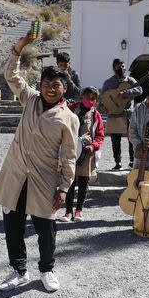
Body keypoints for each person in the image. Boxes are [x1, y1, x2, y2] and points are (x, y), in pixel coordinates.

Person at [0, 31, 79, 293]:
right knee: (13, 226)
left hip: (44, 180)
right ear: (40, 85)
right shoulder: (29, 99)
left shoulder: (68, 118)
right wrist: (20, 46)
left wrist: (64, 187)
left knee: (46, 229)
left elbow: (69, 156)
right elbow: (11, 75)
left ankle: (47, 269)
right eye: (47, 83)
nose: (51, 88)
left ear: (65, 87)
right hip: (16, 175)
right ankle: (19, 270)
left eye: (57, 85)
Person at [60, 86, 105, 223]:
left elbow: (100, 136)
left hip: (87, 152)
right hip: (70, 149)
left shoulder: (95, 115)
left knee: (84, 182)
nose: (91, 101)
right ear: (82, 97)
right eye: (88, 97)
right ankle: (68, 212)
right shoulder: (70, 108)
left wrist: (93, 146)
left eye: (93, 99)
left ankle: (79, 211)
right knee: (70, 181)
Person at [102, 58, 142, 170]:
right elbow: (103, 98)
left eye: (123, 66)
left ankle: (131, 161)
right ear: (114, 68)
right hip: (114, 114)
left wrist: (127, 92)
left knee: (132, 139)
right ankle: (117, 162)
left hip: (128, 114)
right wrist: (103, 106)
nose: (121, 68)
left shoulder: (130, 80)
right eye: (119, 66)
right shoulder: (108, 82)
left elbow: (140, 90)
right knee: (115, 140)